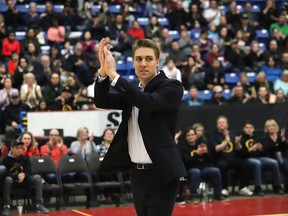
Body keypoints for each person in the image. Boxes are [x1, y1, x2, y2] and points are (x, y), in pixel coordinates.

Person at [95, 38, 187, 216]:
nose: (143, 64)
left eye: (148, 59)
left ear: (157, 61)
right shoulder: (132, 91)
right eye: (138, 59)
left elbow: (147, 102)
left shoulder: (172, 87)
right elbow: (101, 101)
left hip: (162, 173)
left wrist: (114, 75)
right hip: (137, 174)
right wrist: (103, 70)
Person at [1, 140, 49, 216]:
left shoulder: (25, 158)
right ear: (11, 148)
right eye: (17, 148)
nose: (20, 150)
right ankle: (6, 205)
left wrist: (23, 175)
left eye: (21, 148)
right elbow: (5, 173)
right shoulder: (6, 159)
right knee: (7, 179)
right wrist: (17, 176)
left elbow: (29, 171)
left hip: (25, 180)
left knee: (37, 177)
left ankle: (39, 204)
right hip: (12, 181)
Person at [237, 121, 283, 196]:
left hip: (259, 157)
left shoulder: (257, 137)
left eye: (251, 128)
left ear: (253, 129)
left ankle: (277, 186)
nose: (249, 129)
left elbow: (263, 152)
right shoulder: (241, 139)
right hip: (247, 159)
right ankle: (257, 188)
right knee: (257, 163)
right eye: (247, 128)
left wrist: (261, 149)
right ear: (244, 129)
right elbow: (242, 154)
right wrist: (252, 148)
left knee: (274, 162)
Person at [178, 127, 223, 203]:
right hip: (189, 171)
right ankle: (193, 196)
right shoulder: (183, 148)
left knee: (216, 170)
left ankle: (217, 195)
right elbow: (186, 162)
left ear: (195, 136)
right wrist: (197, 154)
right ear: (186, 137)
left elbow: (210, 161)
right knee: (196, 171)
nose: (191, 136)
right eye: (188, 135)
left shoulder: (200, 145)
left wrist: (205, 153)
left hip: (202, 169)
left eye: (192, 134)